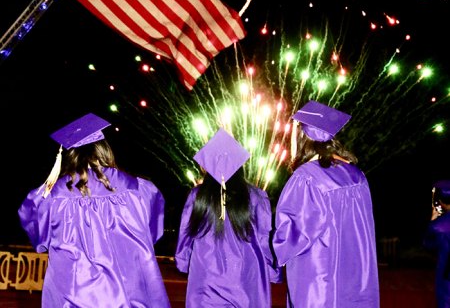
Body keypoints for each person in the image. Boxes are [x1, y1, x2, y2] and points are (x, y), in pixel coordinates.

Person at [18, 113, 171, 308]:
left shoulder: (52, 196)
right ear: (105, 151)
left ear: (70, 156)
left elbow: (39, 238)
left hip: (72, 299)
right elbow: (152, 234)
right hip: (130, 297)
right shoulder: (140, 190)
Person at [273, 100, 380, 308]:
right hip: (357, 273)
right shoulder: (356, 175)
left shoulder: (306, 178)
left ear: (304, 137)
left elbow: (292, 235)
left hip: (319, 278)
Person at [175, 127, 281, 307]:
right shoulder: (257, 196)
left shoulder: (197, 196)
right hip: (245, 279)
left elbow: (185, 236)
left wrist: (183, 261)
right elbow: (264, 240)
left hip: (206, 279)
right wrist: (272, 270)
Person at [423, 179, 450, 308]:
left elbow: (428, 245)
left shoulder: (438, 226)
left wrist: (432, 221)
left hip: (446, 273)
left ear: (441, 203)